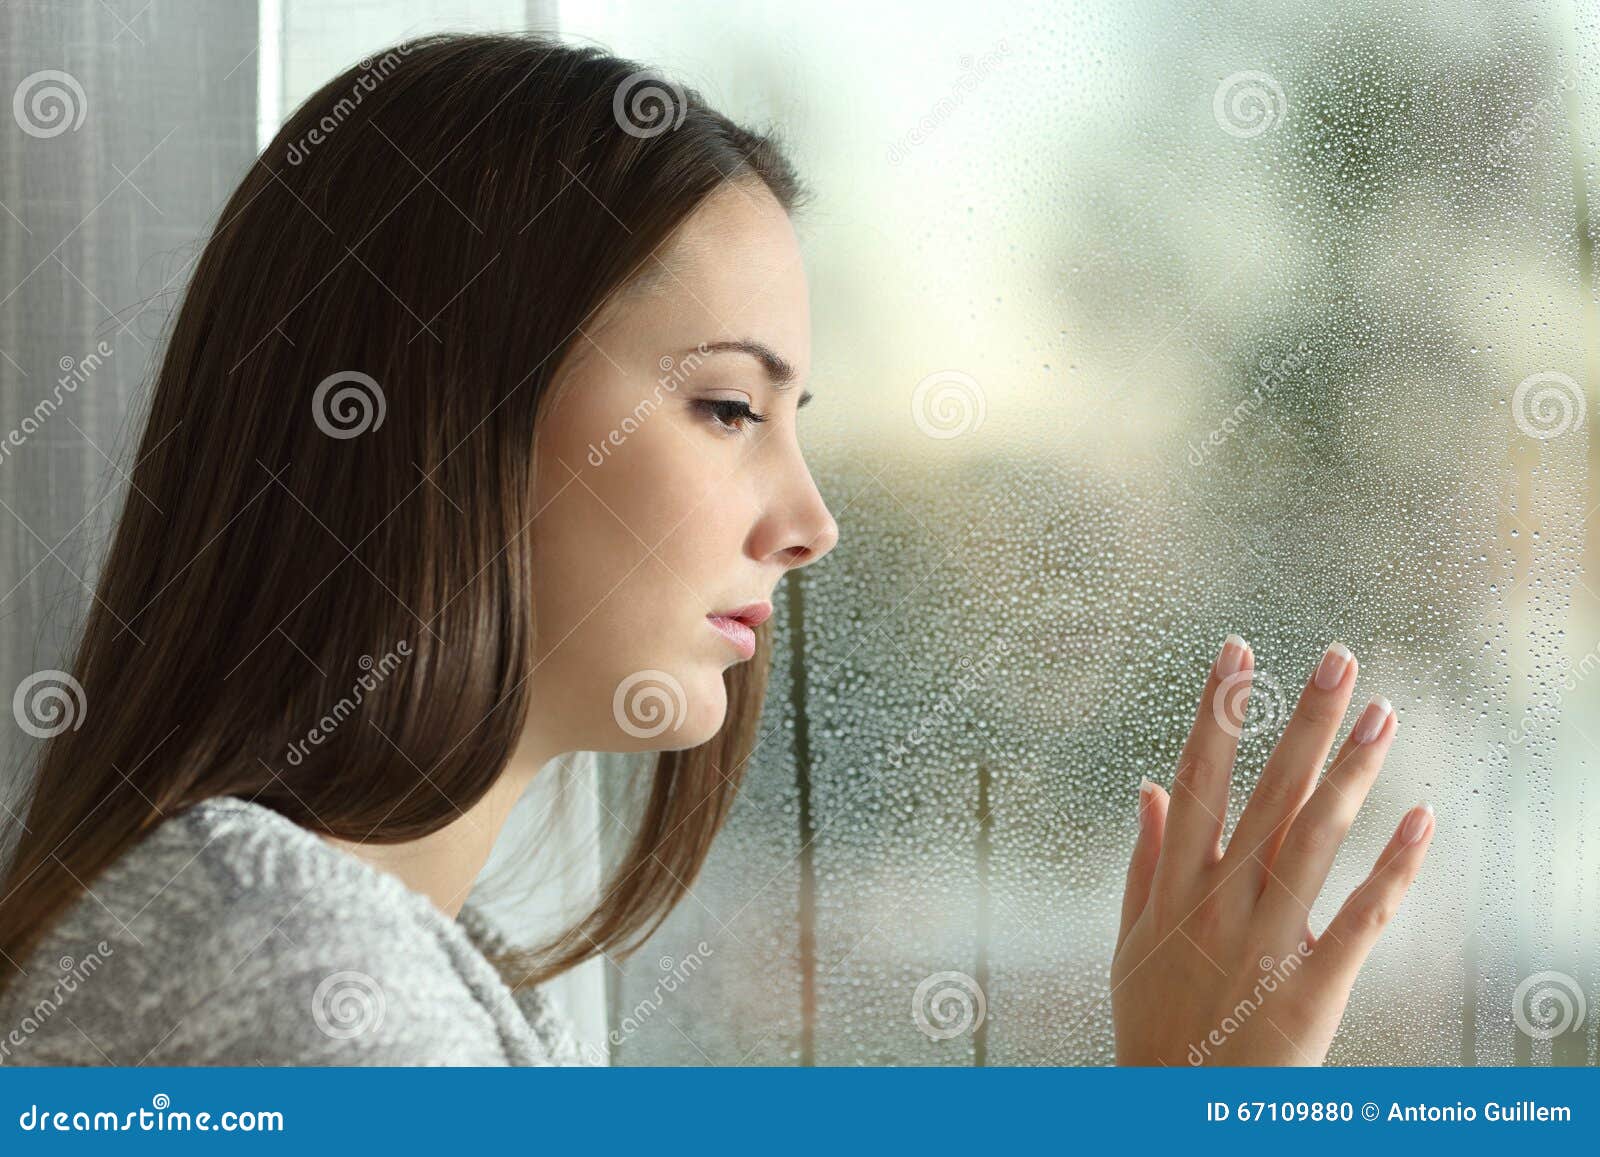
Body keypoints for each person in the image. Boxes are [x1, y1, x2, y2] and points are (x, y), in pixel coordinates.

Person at [0, 33, 1430, 1067]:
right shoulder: (285, 977)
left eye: (792, 417)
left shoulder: (346, 956)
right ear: (438, 410)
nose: (809, 521)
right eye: (727, 405)